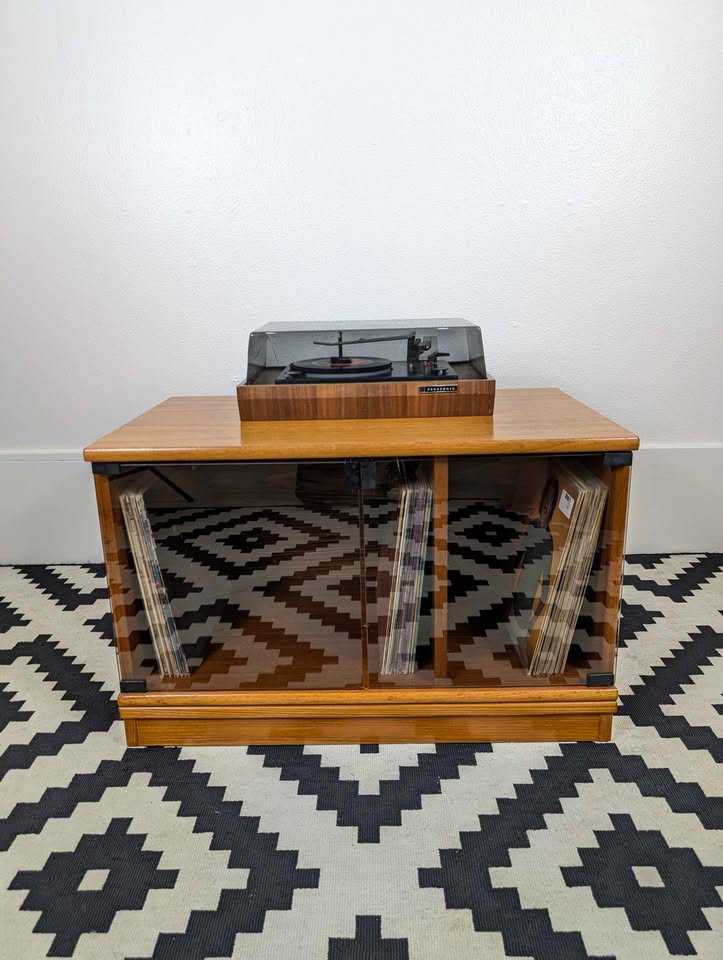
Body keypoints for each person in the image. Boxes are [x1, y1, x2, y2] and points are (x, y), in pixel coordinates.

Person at [510, 474, 558, 643]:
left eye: (550, 507)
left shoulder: (548, 542)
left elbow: (545, 590)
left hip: (527, 597)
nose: (547, 510)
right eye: (545, 505)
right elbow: (519, 557)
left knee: (517, 635)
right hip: (516, 588)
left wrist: (532, 622)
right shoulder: (533, 526)